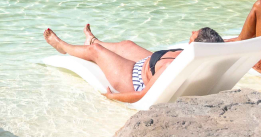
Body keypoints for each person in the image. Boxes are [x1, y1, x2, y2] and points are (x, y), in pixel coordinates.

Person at [43, 23, 224, 103]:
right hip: (151, 64)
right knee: (126, 45)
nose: (191, 31)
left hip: (134, 79)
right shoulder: (201, 61)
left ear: (196, 45)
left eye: (194, 34)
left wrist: (112, 97)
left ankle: (62, 46)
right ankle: (92, 40)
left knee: (97, 53)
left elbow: (142, 95)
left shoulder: (171, 67)